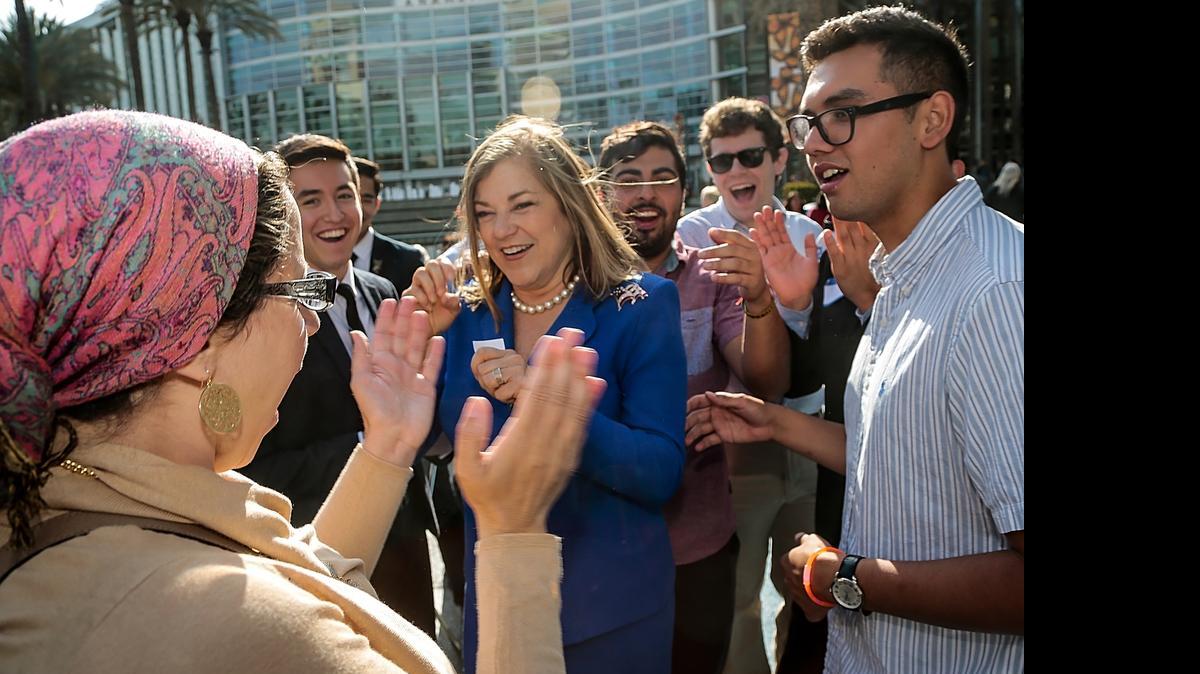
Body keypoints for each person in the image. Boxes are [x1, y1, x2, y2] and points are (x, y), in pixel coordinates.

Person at [0, 109, 603, 674]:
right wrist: (513, 531)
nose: (312, 320)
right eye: (295, 291)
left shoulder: (76, 494)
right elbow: (273, 611)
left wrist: (387, 447)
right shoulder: (233, 625)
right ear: (198, 341)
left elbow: (299, 571)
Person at [688, 7, 1024, 672]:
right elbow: (908, 457)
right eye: (808, 122)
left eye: (842, 114)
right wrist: (774, 421)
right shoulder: (901, 276)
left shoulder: (994, 292)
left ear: (931, 120)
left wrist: (842, 575)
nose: (815, 142)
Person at [407, 115, 686, 674]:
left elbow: (660, 472)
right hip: (499, 608)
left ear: (568, 203)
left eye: (522, 205)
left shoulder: (643, 304)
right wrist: (424, 344)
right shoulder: (461, 317)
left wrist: (547, 404)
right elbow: (435, 448)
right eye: (485, 213)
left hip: (610, 617)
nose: (502, 229)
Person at [598, 120, 789, 674]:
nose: (645, 194)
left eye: (662, 178)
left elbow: (766, 381)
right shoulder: (572, 283)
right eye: (628, 179)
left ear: (684, 190)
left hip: (700, 542)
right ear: (602, 192)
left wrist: (757, 295)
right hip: (602, 546)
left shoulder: (714, 272)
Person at [239, 134, 438, 636]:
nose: (335, 213)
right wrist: (368, 447)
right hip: (320, 552)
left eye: (344, 194)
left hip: (408, 546)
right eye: (311, 200)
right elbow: (255, 465)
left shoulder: (383, 290)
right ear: (281, 213)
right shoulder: (264, 313)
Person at [676, 96, 823, 674]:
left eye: (750, 156)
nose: (737, 171)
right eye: (721, 161)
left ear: (780, 159)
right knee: (737, 604)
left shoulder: (811, 233)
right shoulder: (692, 236)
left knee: (812, 595)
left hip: (810, 444)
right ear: (709, 171)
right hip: (737, 453)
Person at [352, 156, 430, 287]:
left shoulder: (407, 260)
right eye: (349, 198)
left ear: (377, 204)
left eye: (366, 200)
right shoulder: (312, 261)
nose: (358, 209)